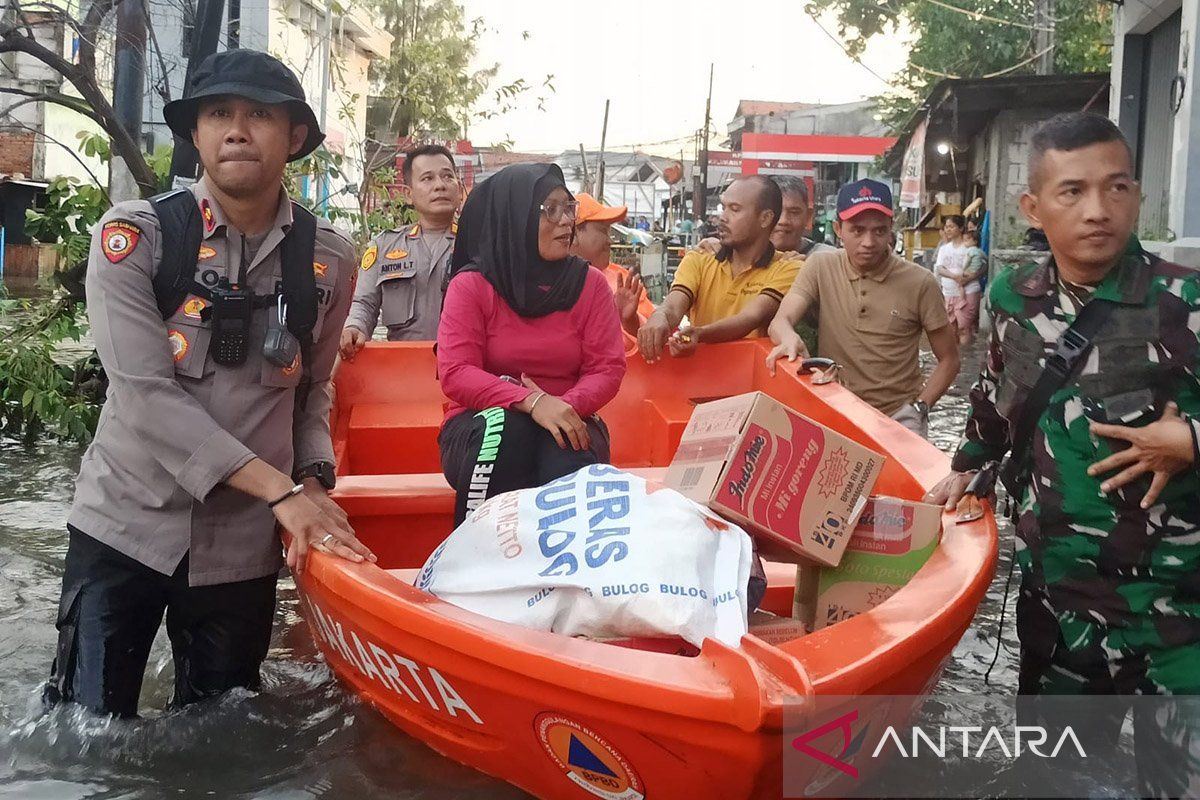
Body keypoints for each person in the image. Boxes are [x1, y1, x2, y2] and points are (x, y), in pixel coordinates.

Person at [45, 50, 374, 718]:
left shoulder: (330, 259)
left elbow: (312, 388)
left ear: (297, 138)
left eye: (259, 115)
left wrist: (313, 477)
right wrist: (282, 491)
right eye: (218, 113)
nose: (236, 129)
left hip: (241, 548)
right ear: (194, 135)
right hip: (125, 525)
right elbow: (143, 396)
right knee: (82, 732)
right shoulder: (135, 238)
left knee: (219, 740)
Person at [926, 112, 1200, 797]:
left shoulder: (1185, 301)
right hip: (1061, 602)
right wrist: (970, 464)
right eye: (1073, 191)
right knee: (1058, 776)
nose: (1099, 211)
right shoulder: (1014, 298)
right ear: (1033, 207)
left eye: (1117, 188)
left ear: (1136, 194)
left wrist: (1192, 439)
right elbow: (998, 396)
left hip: (1175, 606)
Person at [437, 164, 626, 526]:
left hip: (572, 418)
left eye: (568, 208)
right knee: (506, 433)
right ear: (515, 217)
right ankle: (476, 561)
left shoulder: (590, 285)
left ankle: (569, 576)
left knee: (566, 447)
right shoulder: (473, 285)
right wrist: (533, 403)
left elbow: (607, 368)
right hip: (482, 425)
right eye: (549, 210)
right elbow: (456, 373)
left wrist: (561, 409)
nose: (566, 221)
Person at [765, 179, 960, 437]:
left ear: (891, 229)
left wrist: (919, 408)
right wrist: (789, 338)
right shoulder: (820, 267)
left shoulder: (920, 282)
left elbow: (950, 358)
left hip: (897, 419)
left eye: (879, 231)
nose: (868, 242)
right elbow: (780, 321)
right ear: (838, 229)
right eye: (857, 230)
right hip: (836, 410)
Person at [637, 175, 800, 363]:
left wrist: (700, 333)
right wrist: (659, 317)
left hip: (753, 383)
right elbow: (673, 305)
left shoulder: (788, 268)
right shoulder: (698, 258)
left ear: (765, 218)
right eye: (724, 208)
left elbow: (750, 317)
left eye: (735, 209)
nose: (722, 218)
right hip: (699, 378)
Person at [340, 144, 459, 358]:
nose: (440, 185)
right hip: (402, 370)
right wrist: (355, 328)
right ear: (408, 194)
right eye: (427, 178)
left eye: (447, 176)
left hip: (462, 369)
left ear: (458, 186)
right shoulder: (385, 246)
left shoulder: (481, 245)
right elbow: (364, 304)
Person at [571, 192, 655, 335]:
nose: (610, 241)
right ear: (573, 234)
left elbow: (651, 340)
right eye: (603, 231)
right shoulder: (545, 281)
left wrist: (629, 321)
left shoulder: (623, 281)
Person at [695, 175, 835, 259]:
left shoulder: (828, 259)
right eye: (777, 212)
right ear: (763, 217)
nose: (783, 221)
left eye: (794, 212)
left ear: (808, 216)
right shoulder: (733, 256)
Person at [935, 214, 981, 344]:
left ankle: (966, 360)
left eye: (951, 226)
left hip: (968, 291)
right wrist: (954, 277)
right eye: (946, 227)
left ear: (961, 228)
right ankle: (957, 359)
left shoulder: (970, 248)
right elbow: (939, 268)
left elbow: (982, 266)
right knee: (950, 329)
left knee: (964, 328)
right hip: (948, 292)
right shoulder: (944, 249)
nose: (948, 229)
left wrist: (968, 278)